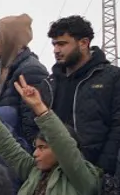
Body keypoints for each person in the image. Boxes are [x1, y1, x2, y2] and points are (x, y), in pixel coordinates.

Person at [47, 15, 120, 174]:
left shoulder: (112, 77)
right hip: (56, 171)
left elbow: (117, 126)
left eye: (62, 44)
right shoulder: (51, 83)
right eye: (54, 44)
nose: (56, 50)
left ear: (84, 43)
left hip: (95, 170)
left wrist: (103, 169)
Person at [0, 16, 55, 148]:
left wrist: (30, 152)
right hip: (9, 147)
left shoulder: (31, 69)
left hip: (22, 151)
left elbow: (32, 122)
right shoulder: (4, 70)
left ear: (11, 40)